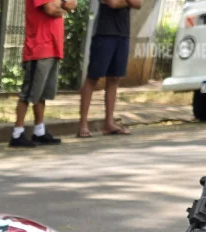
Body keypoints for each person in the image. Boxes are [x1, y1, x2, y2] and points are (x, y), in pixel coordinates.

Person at [9, 0, 77, 148]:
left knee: (42, 94)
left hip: (53, 46)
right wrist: (65, 7)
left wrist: (64, 5)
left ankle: (39, 131)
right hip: (39, 48)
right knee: (28, 93)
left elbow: (72, 3)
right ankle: (17, 133)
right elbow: (51, 9)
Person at [78, 0, 141, 137]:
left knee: (114, 78)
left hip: (122, 34)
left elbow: (138, 3)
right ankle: (83, 124)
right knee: (93, 78)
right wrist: (128, 2)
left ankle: (109, 123)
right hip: (104, 33)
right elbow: (113, 3)